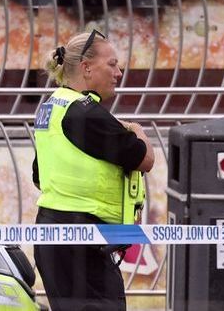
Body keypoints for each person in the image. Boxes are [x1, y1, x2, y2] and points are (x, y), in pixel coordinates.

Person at [31, 29, 155, 311]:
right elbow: (145, 158)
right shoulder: (86, 113)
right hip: (81, 241)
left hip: (56, 235)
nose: (119, 72)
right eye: (111, 64)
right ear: (86, 68)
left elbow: (40, 176)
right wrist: (137, 130)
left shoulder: (53, 105)